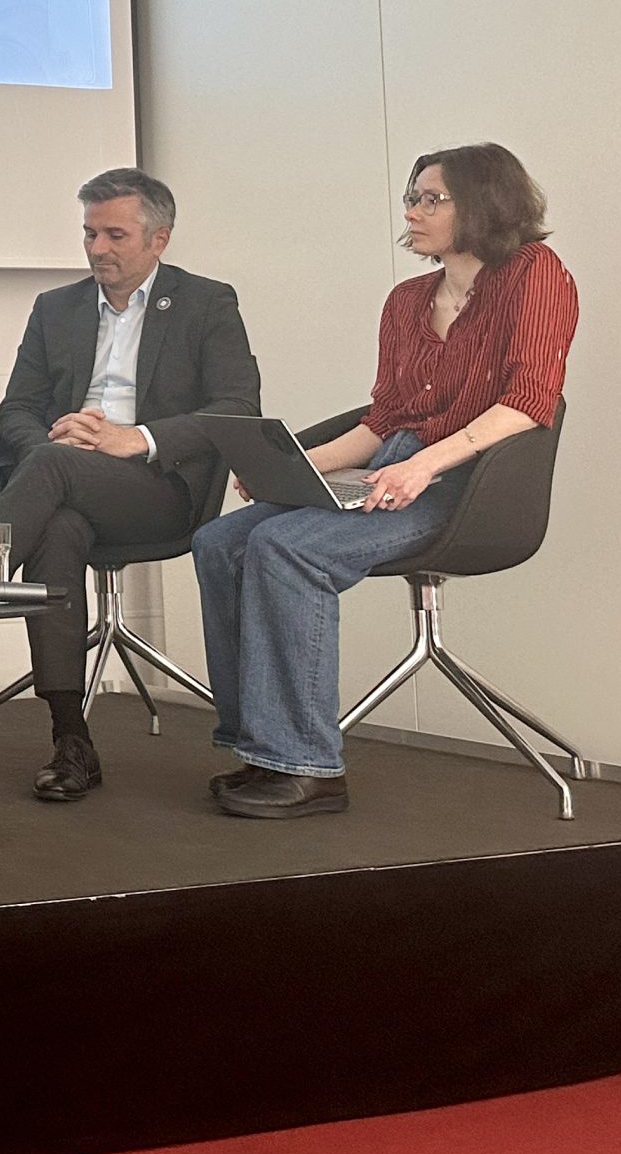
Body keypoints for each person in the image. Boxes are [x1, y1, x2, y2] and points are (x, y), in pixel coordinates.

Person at [195, 144, 576, 819]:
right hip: (392, 467)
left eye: (432, 199)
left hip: (467, 483)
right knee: (221, 542)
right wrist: (298, 466)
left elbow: (528, 402)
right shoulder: (407, 301)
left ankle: (311, 770)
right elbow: (385, 420)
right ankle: (264, 747)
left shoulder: (534, 275)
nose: (413, 211)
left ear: (484, 202)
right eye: (411, 197)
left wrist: (424, 464)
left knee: (287, 547)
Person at [0, 168, 261, 802]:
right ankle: (71, 739)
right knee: (59, 528)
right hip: (66, 476)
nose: (97, 248)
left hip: (158, 489)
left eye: (115, 235)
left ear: (158, 239)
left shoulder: (206, 303)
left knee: (51, 473)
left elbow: (238, 407)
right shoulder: (57, 307)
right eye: (89, 234)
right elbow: (17, 408)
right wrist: (57, 440)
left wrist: (137, 438)